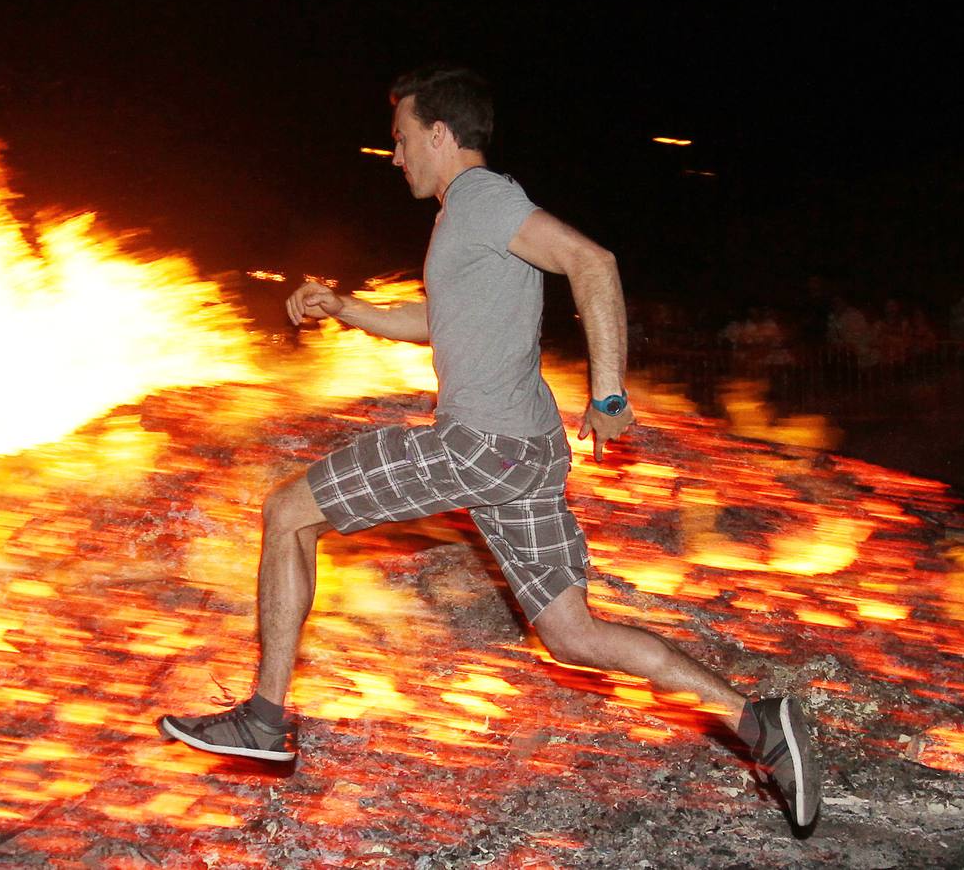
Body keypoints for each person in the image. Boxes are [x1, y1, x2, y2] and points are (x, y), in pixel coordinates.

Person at [159, 65, 821, 832]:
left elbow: (591, 262)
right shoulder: (463, 219)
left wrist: (608, 393)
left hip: (479, 444)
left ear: (439, 134)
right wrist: (347, 308)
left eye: (402, 139)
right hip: (523, 454)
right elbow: (437, 319)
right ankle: (759, 722)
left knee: (287, 509)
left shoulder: (482, 199)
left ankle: (264, 720)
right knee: (571, 635)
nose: (396, 154)